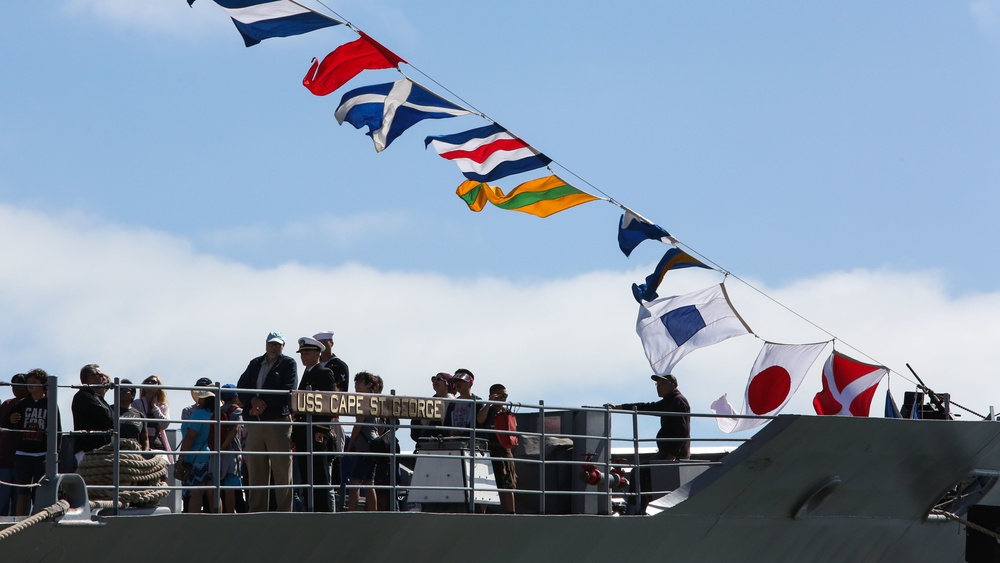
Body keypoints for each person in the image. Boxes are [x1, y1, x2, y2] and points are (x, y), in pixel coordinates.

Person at [236, 331, 298, 512]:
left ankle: (284, 511)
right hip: (255, 423)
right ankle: (257, 510)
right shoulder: (255, 363)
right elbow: (242, 386)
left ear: (283, 346)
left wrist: (262, 403)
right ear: (265, 344)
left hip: (278, 422)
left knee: (282, 469)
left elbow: (288, 389)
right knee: (256, 469)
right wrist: (253, 402)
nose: (274, 347)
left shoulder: (288, 363)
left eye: (277, 344)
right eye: (271, 344)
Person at [292, 336, 338, 512]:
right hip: (304, 431)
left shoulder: (324, 373)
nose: (304, 357)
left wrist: (321, 429)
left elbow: (329, 403)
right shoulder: (307, 374)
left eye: (308, 353)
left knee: (319, 474)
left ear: (318, 353)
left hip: (316, 432)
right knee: (305, 473)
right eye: (302, 353)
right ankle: (310, 508)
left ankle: (323, 511)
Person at [11, 368, 61, 516]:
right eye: (29, 382)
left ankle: (37, 517)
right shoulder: (22, 403)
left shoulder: (50, 404)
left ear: (43, 384)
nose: (30, 385)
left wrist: (55, 454)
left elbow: (58, 430)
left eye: (34, 382)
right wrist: (11, 419)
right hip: (23, 453)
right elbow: (6, 420)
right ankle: (21, 518)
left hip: (42, 454)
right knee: (23, 490)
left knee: (40, 490)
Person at [608, 374, 691, 461]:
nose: (658, 387)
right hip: (669, 452)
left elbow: (682, 430)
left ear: (672, 385)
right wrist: (620, 407)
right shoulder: (669, 401)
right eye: (657, 385)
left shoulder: (678, 401)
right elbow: (647, 407)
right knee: (643, 470)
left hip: (675, 455)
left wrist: (673, 453)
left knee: (641, 472)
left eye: (662, 384)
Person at [477, 383, 518, 513]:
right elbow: (480, 420)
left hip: (504, 451)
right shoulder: (487, 409)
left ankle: (512, 513)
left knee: (508, 483)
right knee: (485, 483)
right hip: (489, 450)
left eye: (505, 395)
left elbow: (513, 428)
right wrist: (489, 403)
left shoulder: (507, 411)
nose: (503, 398)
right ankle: (481, 513)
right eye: (500, 395)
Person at [177, 386, 217, 513]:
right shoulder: (214, 414)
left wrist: (181, 457)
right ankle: (219, 521)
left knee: (196, 492)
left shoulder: (198, 414)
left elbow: (190, 437)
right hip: (210, 457)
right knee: (212, 493)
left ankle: (193, 523)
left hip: (196, 459)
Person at [346, 371, 379, 512]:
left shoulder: (364, 400)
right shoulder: (376, 400)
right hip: (373, 443)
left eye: (359, 382)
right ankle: (373, 513)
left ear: (369, 384)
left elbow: (358, 425)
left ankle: (351, 512)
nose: (356, 385)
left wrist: (350, 443)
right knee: (368, 482)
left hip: (364, 446)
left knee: (355, 481)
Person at [313, 330, 349, 458]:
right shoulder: (313, 365)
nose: (322, 346)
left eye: (324, 343)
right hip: (314, 413)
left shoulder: (339, 366)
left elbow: (341, 391)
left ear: (331, 343)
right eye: (319, 344)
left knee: (333, 454)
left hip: (331, 414)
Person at [72, 364, 114, 463]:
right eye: (99, 374)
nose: (102, 377)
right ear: (89, 378)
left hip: (101, 449)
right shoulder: (83, 396)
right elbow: (104, 416)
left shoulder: (96, 397)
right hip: (88, 449)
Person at [0, 374, 27, 516]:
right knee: (1, 501)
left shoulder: (29, 404)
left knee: (20, 502)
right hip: (3, 459)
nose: (15, 388)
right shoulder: (6, 404)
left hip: (22, 460)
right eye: (13, 385)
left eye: (19, 385)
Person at [218, 384, 244, 514]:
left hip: (217, 453)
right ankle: (229, 515)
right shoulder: (237, 411)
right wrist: (224, 445)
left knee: (218, 488)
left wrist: (219, 447)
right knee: (230, 488)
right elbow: (237, 428)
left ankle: (220, 514)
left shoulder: (217, 411)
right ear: (235, 397)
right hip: (231, 453)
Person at [410, 372, 453, 442]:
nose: (435, 381)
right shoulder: (430, 401)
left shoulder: (452, 401)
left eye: (439, 379)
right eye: (433, 379)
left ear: (447, 384)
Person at [133, 375, 170, 452]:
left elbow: (164, 425)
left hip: (157, 444)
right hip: (140, 443)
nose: (150, 383)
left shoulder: (163, 406)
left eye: (153, 382)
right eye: (147, 382)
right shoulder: (136, 403)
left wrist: (154, 408)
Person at [445, 369, 481, 437]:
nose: (458, 383)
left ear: (470, 383)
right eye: (455, 381)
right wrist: (450, 432)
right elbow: (446, 424)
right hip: (454, 442)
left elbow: (479, 424)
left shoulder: (478, 402)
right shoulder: (453, 404)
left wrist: (461, 433)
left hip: (471, 441)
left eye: (461, 380)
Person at [115, 380, 148, 449]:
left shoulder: (140, 416)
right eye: (120, 389)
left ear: (132, 395)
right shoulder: (109, 411)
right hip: (113, 452)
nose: (121, 392)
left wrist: (144, 454)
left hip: (133, 454)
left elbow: (145, 440)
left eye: (125, 389)